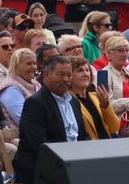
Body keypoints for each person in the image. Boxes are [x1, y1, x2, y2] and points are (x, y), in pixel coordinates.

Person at [13, 55, 86, 183]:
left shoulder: (73, 101)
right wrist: (70, 159)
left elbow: (82, 136)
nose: (65, 79)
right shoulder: (35, 103)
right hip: (44, 167)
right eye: (60, 74)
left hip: (73, 162)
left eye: (69, 75)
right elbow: (39, 145)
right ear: (46, 75)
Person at [68, 58, 119, 140]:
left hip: (107, 145)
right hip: (89, 148)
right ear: (69, 75)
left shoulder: (96, 96)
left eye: (87, 70)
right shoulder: (67, 100)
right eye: (80, 71)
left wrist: (105, 105)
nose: (85, 74)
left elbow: (114, 127)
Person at [0, 48, 41, 126]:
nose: (33, 67)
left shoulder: (36, 84)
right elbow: (23, 120)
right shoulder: (10, 89)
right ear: (17, 65)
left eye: (34, 63)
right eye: (28, 64)